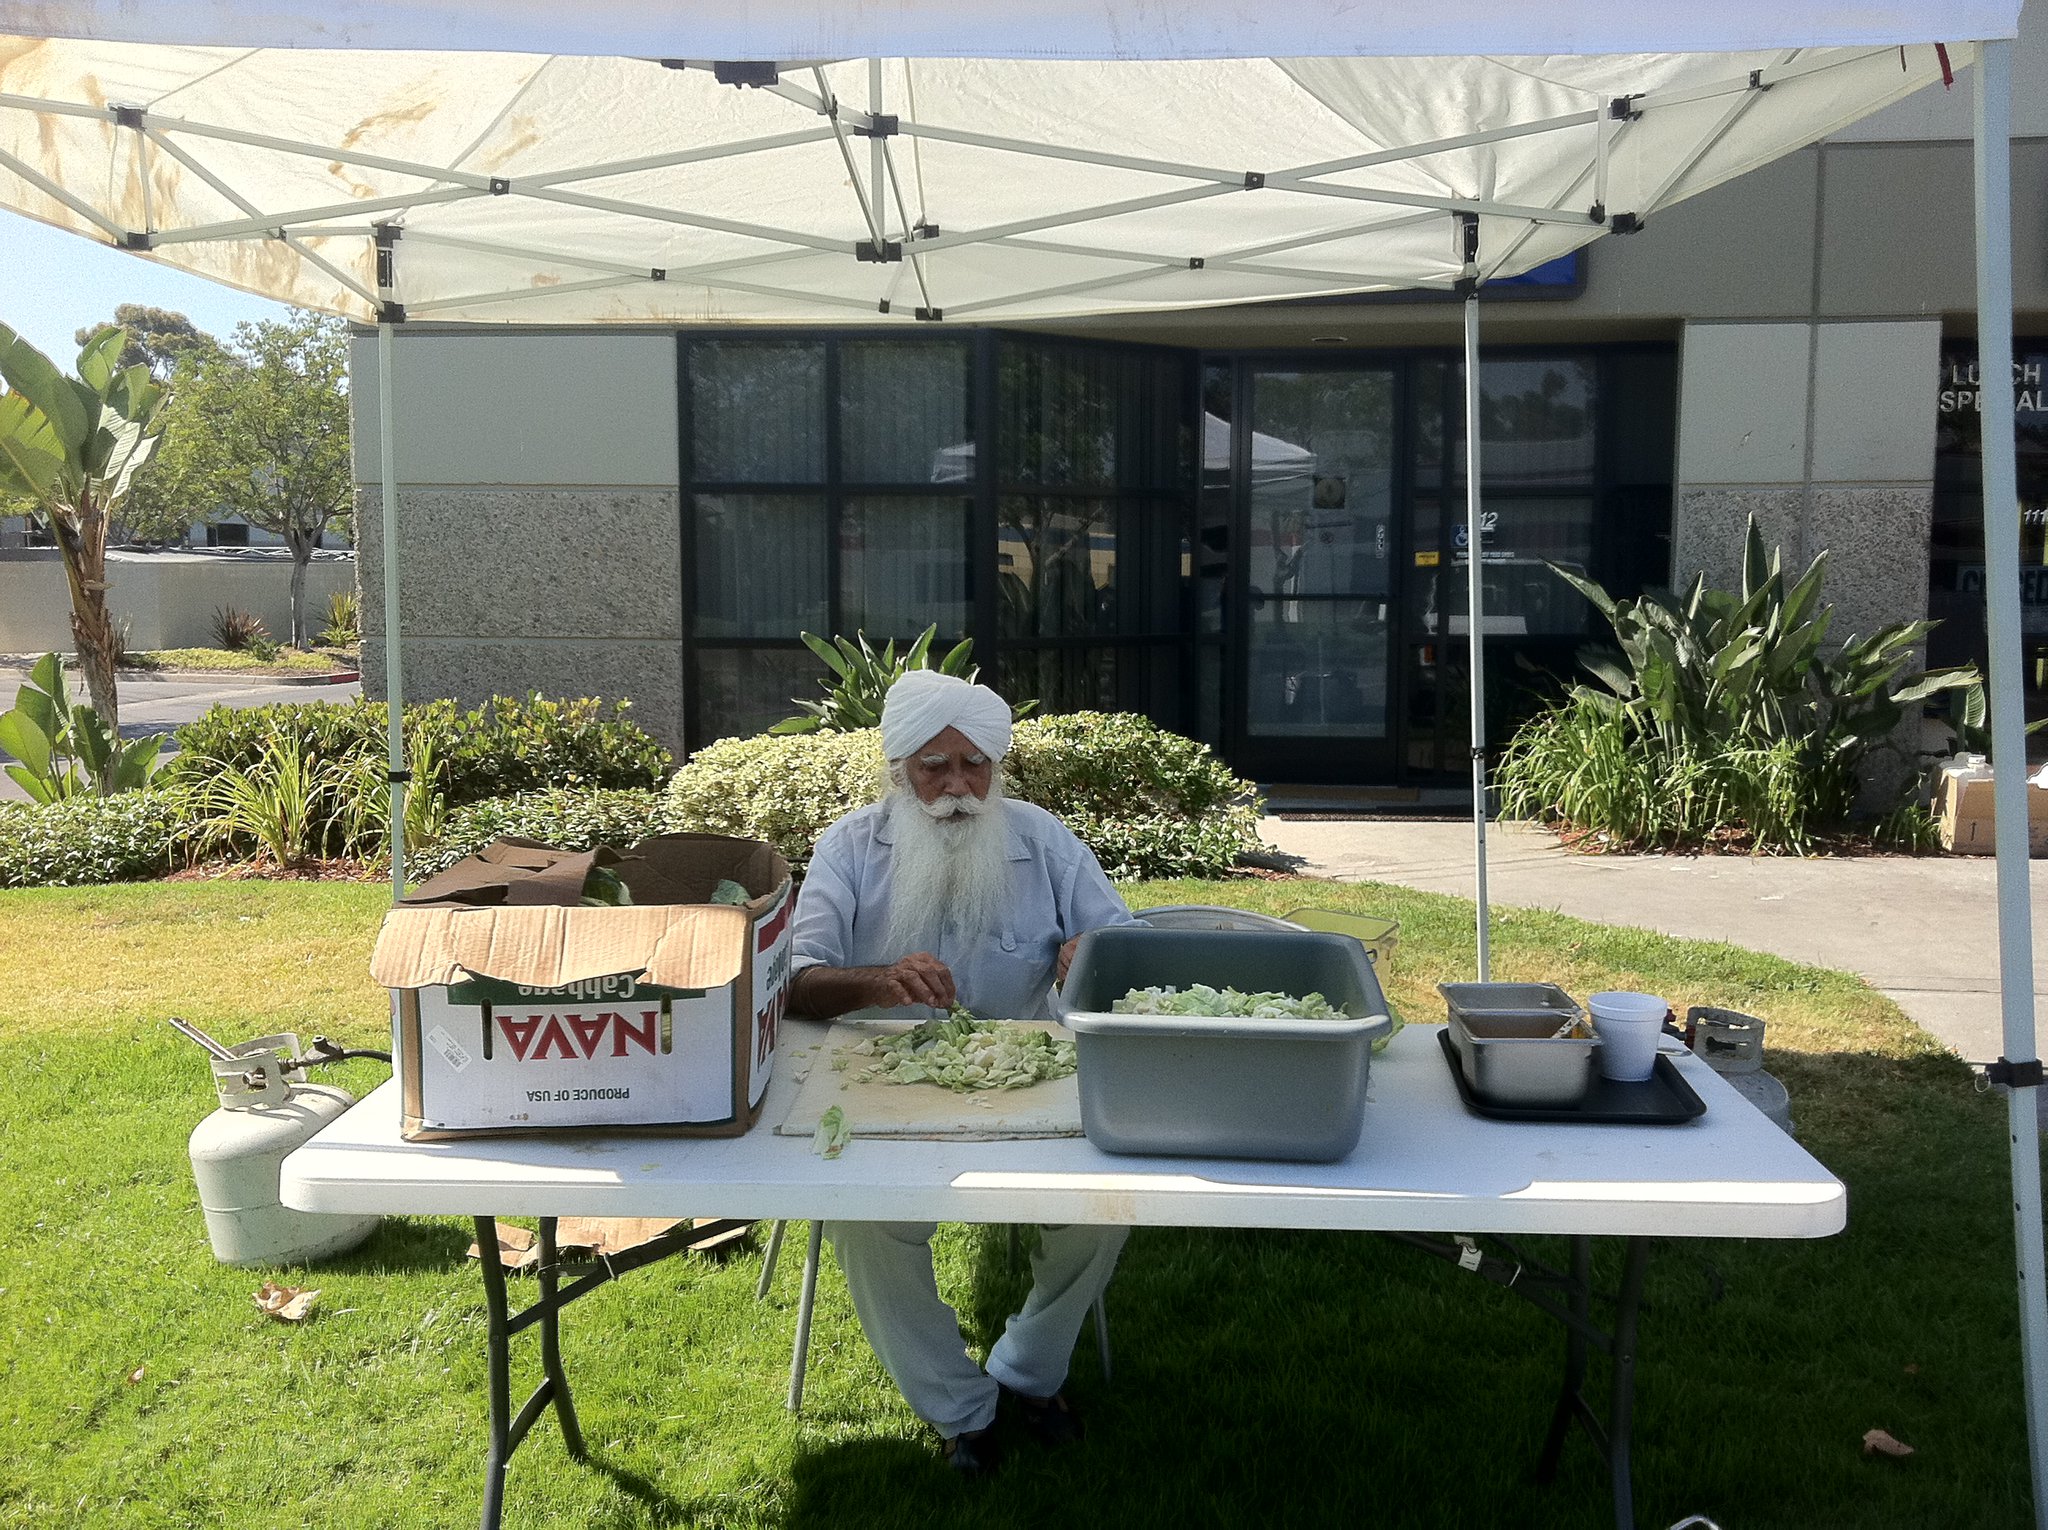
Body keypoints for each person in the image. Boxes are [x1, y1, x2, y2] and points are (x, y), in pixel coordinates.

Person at [786, 668, 1136, 1476]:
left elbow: (1124, 947)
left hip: (1029, 1078)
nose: (956, 788)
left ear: (996, 767)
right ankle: (958, 1407)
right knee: (866, 1222)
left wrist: (1092, 956)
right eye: (934, 766)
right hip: (880, 1084)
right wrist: (875, 981)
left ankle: (1029, 1370)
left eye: (975, 765)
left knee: (1107, 1207)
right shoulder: (850, 846)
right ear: (899, 769)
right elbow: (798, 982)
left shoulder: (1042, 840)